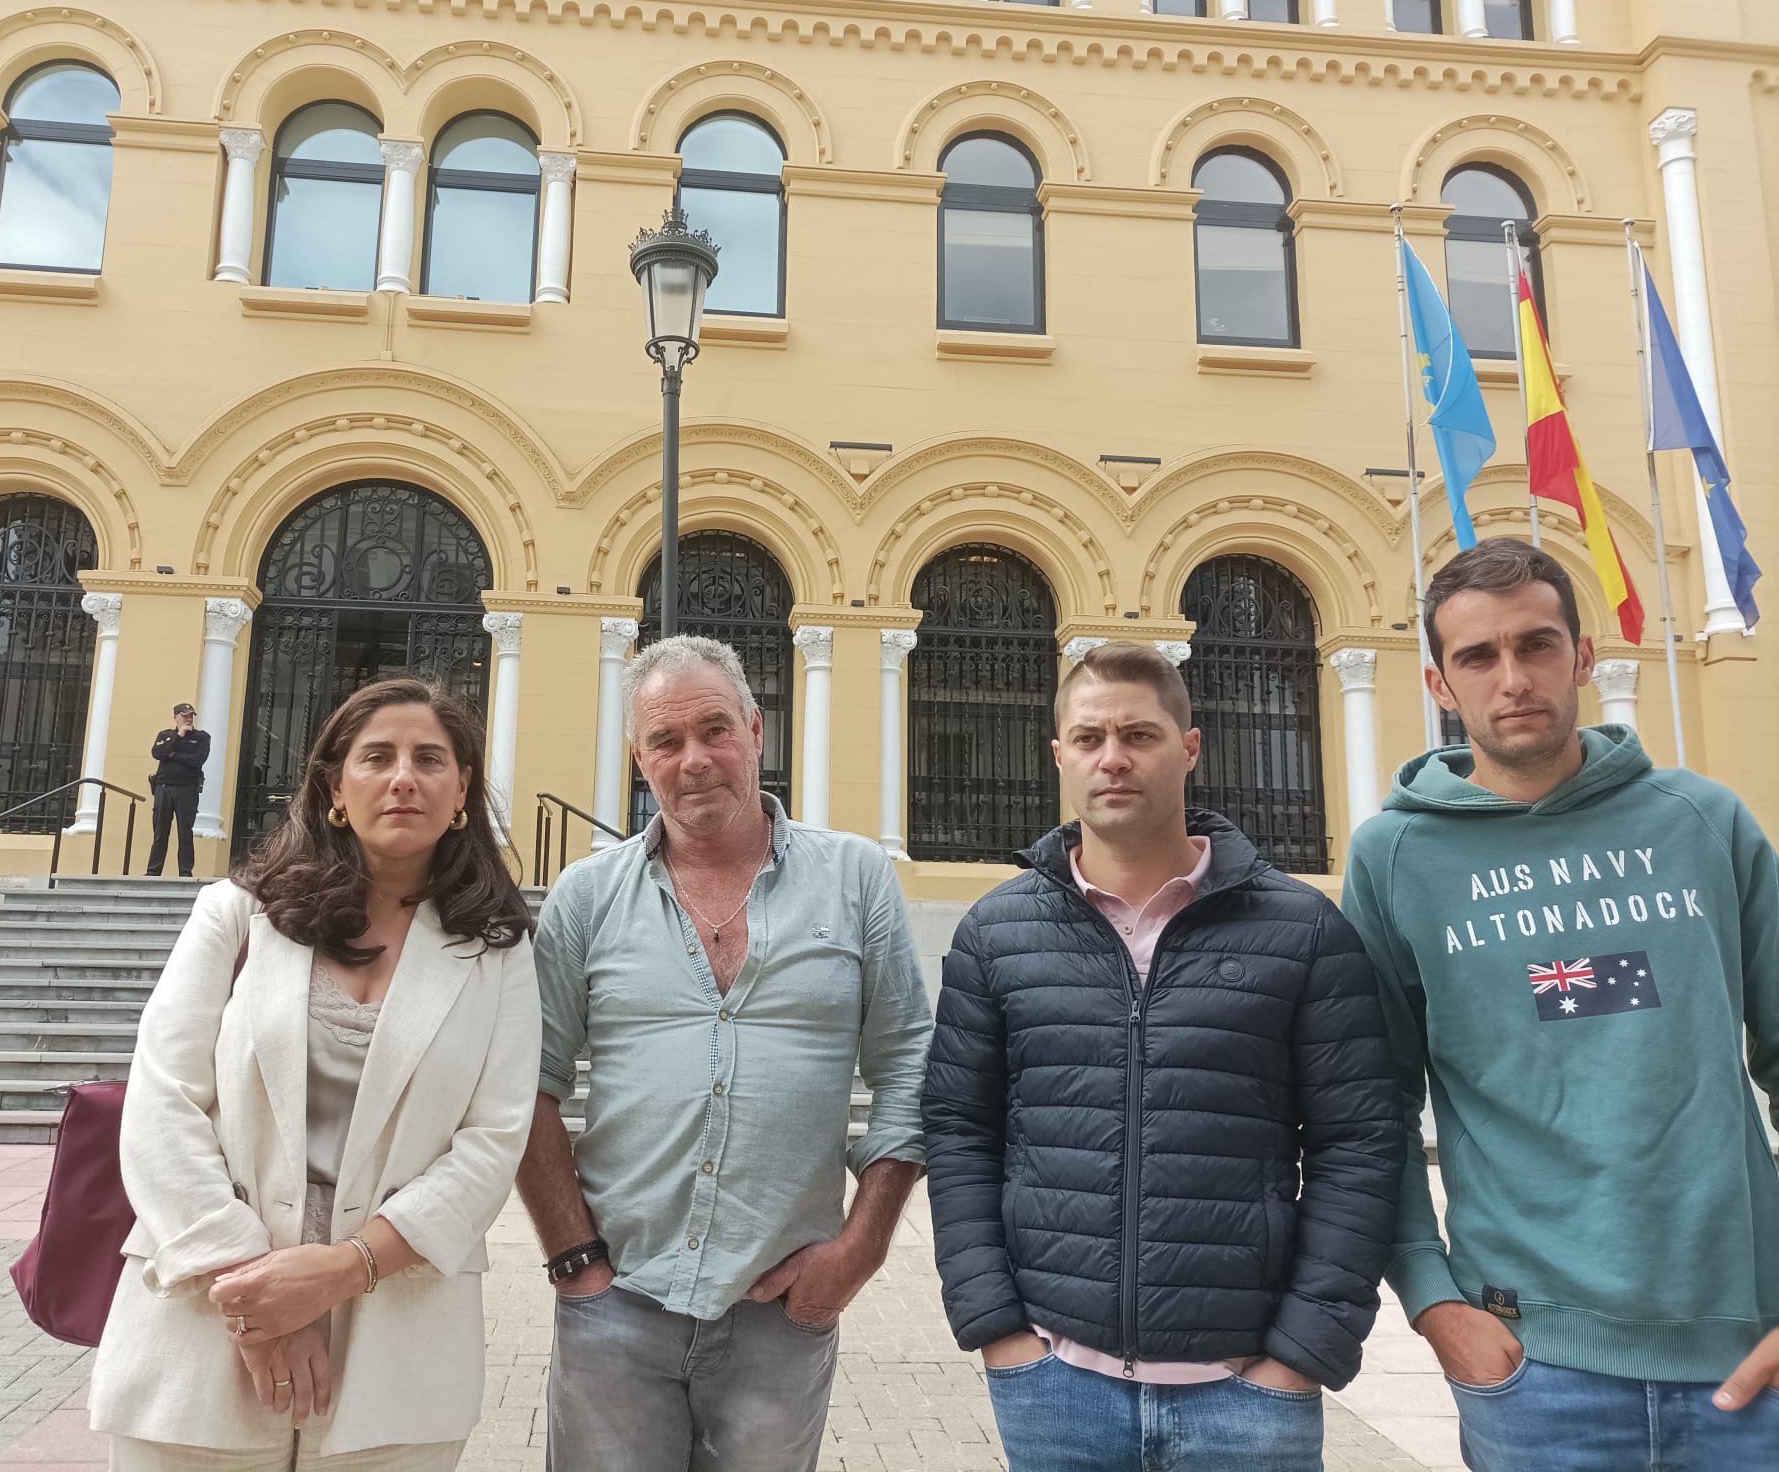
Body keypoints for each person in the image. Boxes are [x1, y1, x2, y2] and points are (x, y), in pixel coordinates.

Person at [1342, 536, 1779, 1471]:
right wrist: (1432, 1300)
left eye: (1537, 645)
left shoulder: (1705, 823)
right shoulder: (1394, 859)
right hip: (1535, 1371)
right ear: (1438, 684)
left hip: (1749, 1359)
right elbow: (1372, 1100)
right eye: (1478, 656)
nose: (1514, 679)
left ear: (1582, 657)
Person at [924, 640, 1403, 1472]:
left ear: (1189, 748)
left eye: (1140, 736)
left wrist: (1304, 1351)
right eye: (1089, 738)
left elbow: (1358, 1141)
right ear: (1060, 756)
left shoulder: (1302, 932)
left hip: (1246, 1393)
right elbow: (959, 1128)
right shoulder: (998, 933)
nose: (1113, 758)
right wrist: (995, 1328)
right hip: (1054, 1386)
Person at [90, 676, 541, 1469]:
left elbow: (492, 1140)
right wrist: (264, 1302)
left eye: (430, 759)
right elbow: (162, 1104)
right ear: (335, 784)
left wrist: (341, 1270)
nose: (405, 776)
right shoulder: (237, 915)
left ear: (461, 788)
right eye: (378, 757)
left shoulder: (496, 950)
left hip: (400, 1346)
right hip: (205, 1328)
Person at [519, 634, 933, 1472]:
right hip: (617, 1303)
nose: (694, 759)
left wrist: (862, 1248)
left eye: (714, 730)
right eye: (666, 742)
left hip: (783, 1309)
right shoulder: (585, 898)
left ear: (755, 730)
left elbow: (909, 1062)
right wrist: (574, 1262)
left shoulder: (854, 878)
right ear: (641, 761)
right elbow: (528, 1082)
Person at [146, 703, 209, 878]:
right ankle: (153, 871)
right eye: (184, 715)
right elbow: (158, 753)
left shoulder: (201, 737)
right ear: (176, 717)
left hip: (187, 790)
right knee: (160, 833)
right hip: (163, 788)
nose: (188, 719)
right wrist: (178, 737)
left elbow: (197, 761)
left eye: (191, 715)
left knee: (185, 833)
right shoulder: (165, 735)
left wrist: (173, 755)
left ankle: (185, 872)